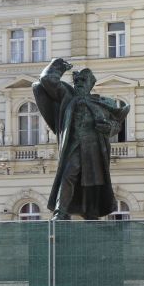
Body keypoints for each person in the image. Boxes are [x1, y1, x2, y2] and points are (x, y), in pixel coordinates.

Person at [32, 58, 129, 220]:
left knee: (94, 180)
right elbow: (46, 79)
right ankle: (60, 212)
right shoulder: (67, 96)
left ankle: (91, 212)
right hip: (74, 145)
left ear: (91, 84)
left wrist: (109, 128)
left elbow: (116, 124)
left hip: (94, 147)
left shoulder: (104, 102)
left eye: (83, 80)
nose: (79, 83)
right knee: (68, 175)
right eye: (76, 80)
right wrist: (58, 65)